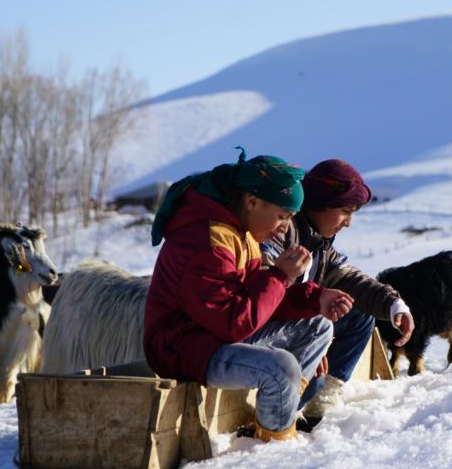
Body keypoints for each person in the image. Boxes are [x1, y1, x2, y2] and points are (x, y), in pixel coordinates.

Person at [143, 149, 354, 442]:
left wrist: (314, 299)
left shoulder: (242, 233)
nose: (285, 228)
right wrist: (280, 275)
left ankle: (277, 415)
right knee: (281, 368)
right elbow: (231, 323)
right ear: (252, 201)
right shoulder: (207, 241)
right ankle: (272, 447)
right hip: (183, 346)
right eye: (282, 216)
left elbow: (257, 296)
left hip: (213, 335)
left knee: (318, 326)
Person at [262, 159, 414, 427]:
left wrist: (392, 304)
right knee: (313, 376)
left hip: (298, 322)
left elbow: (346, 276)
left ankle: (323, 394)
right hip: (268, 331)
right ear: (322, 203)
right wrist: (310, 340)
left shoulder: (318, 240)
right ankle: (292, 406)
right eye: (346, 210)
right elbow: (266, 297)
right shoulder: (280, 229)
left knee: (357, 313)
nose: (348, 223)